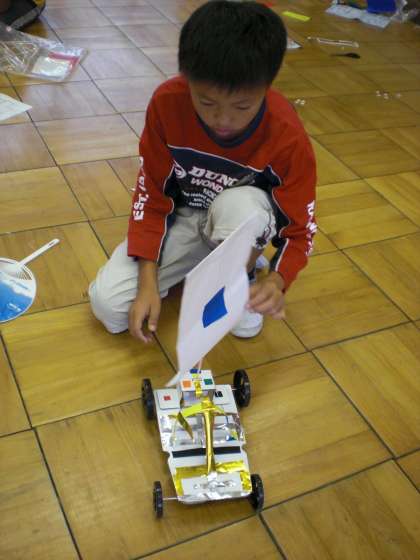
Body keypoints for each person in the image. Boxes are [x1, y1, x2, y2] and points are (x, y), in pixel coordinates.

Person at [89, 0, 316, 343]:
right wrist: (148, 280)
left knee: (244, 212)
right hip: (183, 217)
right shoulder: (167, 103)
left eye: (242, 106)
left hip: (239, 220)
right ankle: (207, 263)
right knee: (109, 307)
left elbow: (300, 231)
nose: (222, 120)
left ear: (267, 87)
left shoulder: (287, 135)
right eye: (206, 102)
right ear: (187, 79)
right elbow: (151, 196)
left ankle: (241, 269)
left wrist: (277, 280)